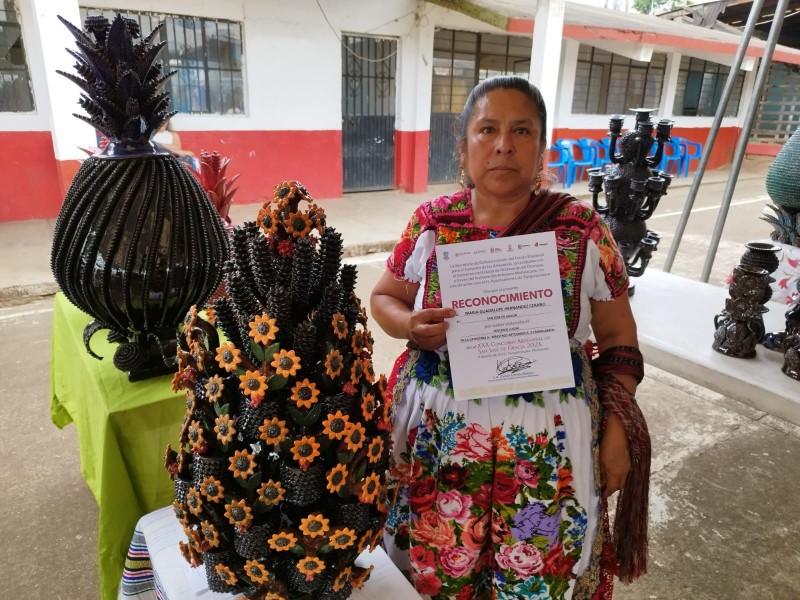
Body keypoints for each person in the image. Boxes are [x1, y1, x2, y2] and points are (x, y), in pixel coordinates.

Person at [370, 75, 650, 599]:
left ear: (541, 146)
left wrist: (618, 427)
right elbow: (384, 297)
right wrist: (409, 326)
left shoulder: (581, 229)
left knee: (534, 577)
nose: (504, 144)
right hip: (439, 446)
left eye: (521, 130)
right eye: (488, 129)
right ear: (464, 147)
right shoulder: (432, 223)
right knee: (436, 573)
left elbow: (619, 341)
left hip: (547, 449)